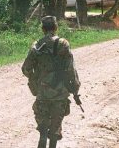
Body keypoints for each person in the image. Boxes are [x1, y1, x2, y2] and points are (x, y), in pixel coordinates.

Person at [22, 16, 81, 148]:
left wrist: (36, 81)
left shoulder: (37, 46)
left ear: (43, 29)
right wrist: (75, 89)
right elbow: (71, 69)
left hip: (42, 93)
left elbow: (26, 69)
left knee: (43, 130)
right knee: (54, 131)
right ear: (56, 27)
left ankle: (43, 137)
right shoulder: (64, 44)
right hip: (60, 94)